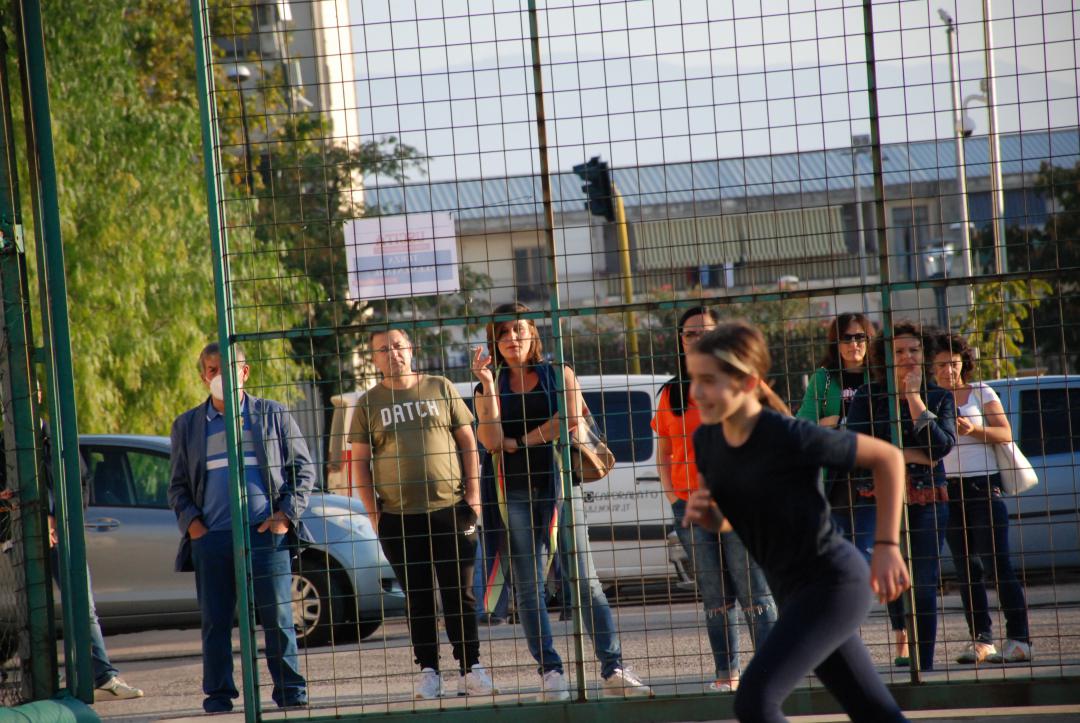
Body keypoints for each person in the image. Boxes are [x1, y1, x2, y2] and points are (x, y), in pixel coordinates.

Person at [682, 321, 910, 723]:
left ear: (748, 383)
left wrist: (887, 547)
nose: (695, 392)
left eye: (708, 380)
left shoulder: (788, 436)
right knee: (873, 712)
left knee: (754, 702)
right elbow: (728, 520)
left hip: (834, 583)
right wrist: (710, 517)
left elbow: (888, 458)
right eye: (693, 379)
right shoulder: (707, 441)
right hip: (791, 592)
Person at [471, 302, 652, 700]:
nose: (511, 338)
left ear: (533, 333)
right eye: (502, 333)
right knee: (529, 587)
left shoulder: (559, 373)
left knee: (585, 580)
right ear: (494, 342)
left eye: (518, 329)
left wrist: (520, 441)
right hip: (511, 492)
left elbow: (568, 420)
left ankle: (613, 668)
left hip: (560, 488)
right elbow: (490, 441)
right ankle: (551, 672)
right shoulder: (489, 384)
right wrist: (487, 385)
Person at [349, 328, 495, 700]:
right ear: (375, 359)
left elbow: (468, 441)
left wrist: (474, 496)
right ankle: (429, 671)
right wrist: (374, 514)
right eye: (383, 349)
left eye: (398, 346)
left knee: (459, 593)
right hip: (399, 517)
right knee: (418, 597)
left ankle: (470, 668)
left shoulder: (439, 387)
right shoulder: (367, 403)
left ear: (411, 349)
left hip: (452, 510)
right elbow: (359, 464)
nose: (393, 353)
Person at [168, 343, 312, 713]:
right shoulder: (187, 426)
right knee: (216, 623)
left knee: (278, 617)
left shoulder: (273, 415)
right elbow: (177, 487)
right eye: (213, 370)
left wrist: (284, 516)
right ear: (204, 377)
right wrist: (194, 527)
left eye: (228, 368)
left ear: (244, 373)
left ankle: (290, 692)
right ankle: (218, 696)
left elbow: (303, 470)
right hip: (212, 539)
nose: (221, 376)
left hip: (265, 537)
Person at [652, 306, 776, 692]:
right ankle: (727, 674)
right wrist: (674, 498)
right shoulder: (671, 392)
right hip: (691, 507)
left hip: (740, 504)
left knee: (754, 590)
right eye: (690, 334)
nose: (698, 339)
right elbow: (664, 452)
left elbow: (771, 433)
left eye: (706, 332)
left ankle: (773, 672)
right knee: (714, 597)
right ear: (680, 341)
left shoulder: (741, 382)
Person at [847, 321, 956, 671]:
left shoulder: (938, 397)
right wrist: (906, 454)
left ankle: (923, 665)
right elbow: (856, 446)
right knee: (878, 574)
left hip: (927, 499)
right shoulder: (868, 396)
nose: (907, 356)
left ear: (925, 354)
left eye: (914, 350)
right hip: (878, 499)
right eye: (898, 351)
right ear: (885, 358)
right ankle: (891, 643)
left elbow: (940, 447)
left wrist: (913, 398)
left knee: (922, 584)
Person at [931, 333, 1032, 664]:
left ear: (964, 362)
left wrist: (972, 430)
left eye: (953, 363)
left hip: (983, 487)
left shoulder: (981, 391)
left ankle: (1019, 638)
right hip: (947, 489)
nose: (948, 370)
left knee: (996, 563)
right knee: (966, 568)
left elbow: (1005, 432)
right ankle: (981, 639)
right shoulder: (928, 396)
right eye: (940, 364)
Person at [796, 313, 875, 560]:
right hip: (836, 477)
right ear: (836, 343)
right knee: (838, 554)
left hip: (871, 471)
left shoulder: (880, 375)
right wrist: (831, 422)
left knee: (864, 551)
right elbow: (803, 425)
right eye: (846, 338)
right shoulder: (824, 378)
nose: (854, 344)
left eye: (860, 337)